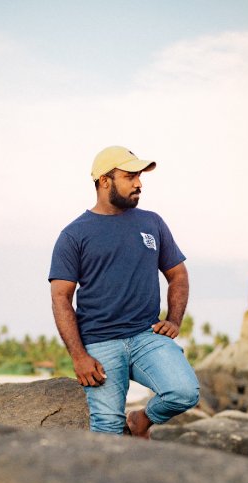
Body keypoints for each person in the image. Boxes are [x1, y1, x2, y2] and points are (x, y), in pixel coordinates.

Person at [48, 145, 199, 438]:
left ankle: (141, 420)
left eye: (139, 176)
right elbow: (60, 297)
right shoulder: (73, 235)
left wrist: (174, 320)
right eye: (130, 176)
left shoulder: (151, 222)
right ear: (105, 181)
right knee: (106, 432)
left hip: (146, 336)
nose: (139, 183)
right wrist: (79, 356)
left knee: (184, 392)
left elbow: (178, 274)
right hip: (100, 342)